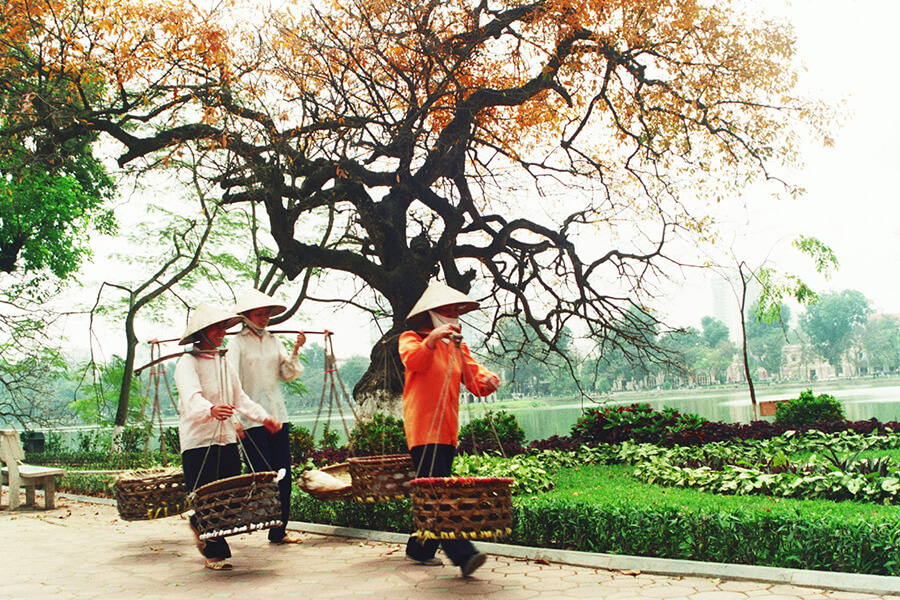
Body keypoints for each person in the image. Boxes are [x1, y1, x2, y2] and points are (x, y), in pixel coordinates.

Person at [399, 282, 500, 577]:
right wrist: (431, 340)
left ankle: (419, 548)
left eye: (456, 311)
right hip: (423, 430)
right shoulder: (410, 339)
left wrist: (489, 380)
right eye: (446, 310)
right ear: (430, 314)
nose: (452, 315)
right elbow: (415, 361)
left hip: (447, 431)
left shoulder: (458, 346)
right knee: (441, 495)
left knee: (433, 493)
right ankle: (463, 554)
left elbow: (474, 379)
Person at [174, 303, 282, 571]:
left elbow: (239, 398)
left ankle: (201, 527)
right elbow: (191, 399)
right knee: (206, 496)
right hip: (199, 441)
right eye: (216, 327)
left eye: (224, 327)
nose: (222, 332)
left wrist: (262, 416)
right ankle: (214, 552)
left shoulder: (223, 362)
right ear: (202, 333)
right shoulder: (187, 363)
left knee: (228, 497)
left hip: (226, 438)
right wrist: (210, 410)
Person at [228, 288, 306, 545]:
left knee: (284, 473)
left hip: (277, 416)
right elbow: (231, 382)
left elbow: (286, 373)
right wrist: (235, 419)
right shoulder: (237, 343)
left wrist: (295, 349)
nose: (263, 318)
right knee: (263, 474)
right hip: (251, 420)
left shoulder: (273, 340)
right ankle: (253, 519)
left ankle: (279, 530)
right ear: (247, 315)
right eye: (258, 314)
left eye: (266, 314)